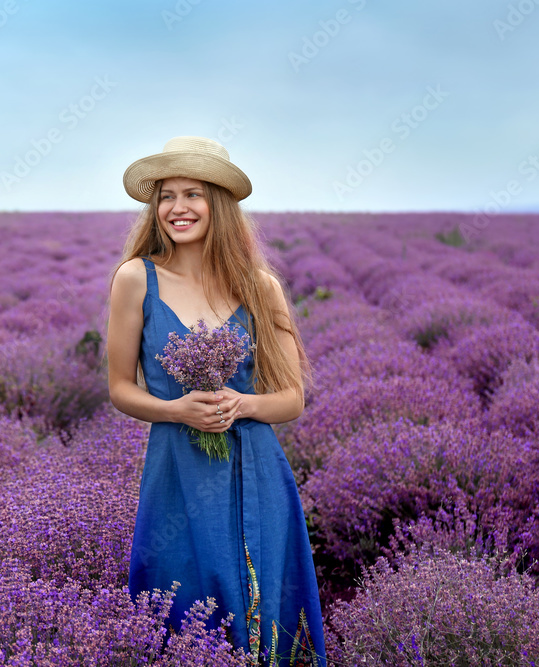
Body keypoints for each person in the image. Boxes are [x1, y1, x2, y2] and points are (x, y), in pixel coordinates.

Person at [105, 136, 327, 666]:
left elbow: (292, 399)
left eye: (193, 194)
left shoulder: (260, 287)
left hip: (256, 469)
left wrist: (241, 405)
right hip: (177, 471)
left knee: (262, 608)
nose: (177, 208)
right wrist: (177, 410)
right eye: (166, 196)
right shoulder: (136, 279)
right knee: (186, 603)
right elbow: (120, 389)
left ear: (220, 205)